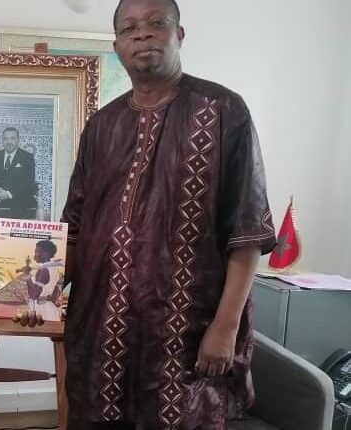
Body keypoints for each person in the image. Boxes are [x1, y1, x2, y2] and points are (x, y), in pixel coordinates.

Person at [16, 0, 276, 429]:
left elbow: (248, 232)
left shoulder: (223, 111)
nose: (142, 34)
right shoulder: (102, 126)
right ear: (117, 45)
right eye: (129, 28)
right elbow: (74, 230)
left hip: (185, 333)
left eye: (157, 23)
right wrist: (35, 296)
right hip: (102, 332)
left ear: (179, 35)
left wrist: (226, 327)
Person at [0, 127, 36, 239]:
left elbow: (29, 182)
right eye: (6, 139)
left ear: (18, 140)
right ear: (2, 141)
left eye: (12, 138)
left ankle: (13, 239)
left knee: (20, 206)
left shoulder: (27, 157)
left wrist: (8, 194)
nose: (9, 142)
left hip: (18, 195)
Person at [25, 240, 63, 321]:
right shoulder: (54, 269)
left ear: (46, 254)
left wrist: (27, 276)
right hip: (51, 311)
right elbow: (54, 296)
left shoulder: (43, 270)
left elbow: (34, 295)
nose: (34, 255)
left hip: (42, 312)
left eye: (37, 252)